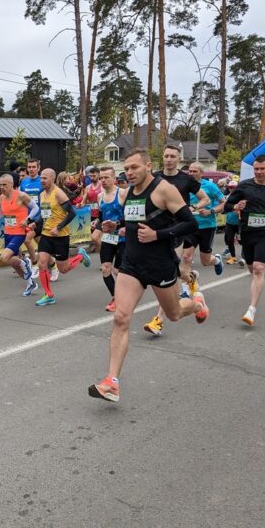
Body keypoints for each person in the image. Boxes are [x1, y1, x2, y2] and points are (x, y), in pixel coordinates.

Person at [88, 149, 208, 403]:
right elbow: (135, 220)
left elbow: (190, 224)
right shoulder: (131, 190)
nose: (129, 173)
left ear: (148, 166)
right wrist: (116, 227)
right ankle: (112, 383)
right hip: (132, 263)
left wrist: (158, 235)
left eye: (134, 168)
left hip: (160, 263)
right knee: (121, 318)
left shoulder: (164, 190)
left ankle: (197, 303)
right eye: (126, 169)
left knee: (174, 314)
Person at [143, 145, 210, 337]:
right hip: (157, 230)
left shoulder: (186, 179)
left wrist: (194, 207)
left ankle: (158, 320)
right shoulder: (154, 177)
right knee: (177, 270)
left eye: (173, 156)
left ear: (179, 159)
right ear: (162, 158)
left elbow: (204, 199)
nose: (169, 159)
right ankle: (191, 280)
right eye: (166, 156)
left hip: (178, 230)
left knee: (168, 270)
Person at [223, 155, 265, 326]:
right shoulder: (244, 186)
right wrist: (236, 206)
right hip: (247, 232)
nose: (259, 172)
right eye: (256, 169)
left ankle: (251, 309)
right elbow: (228, 205)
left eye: (262, 169)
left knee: (258, 270)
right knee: (252, 268)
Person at [31, 168, 92, 306]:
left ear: (52, 179)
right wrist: (35, 223)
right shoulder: (42, 195)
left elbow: (72, 213)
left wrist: (58, 228)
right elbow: (44, 214)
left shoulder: (58, 194)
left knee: (63, 269)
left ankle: (80, 256)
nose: (42, 181)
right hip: (46, 234)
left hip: (60, 236)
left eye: (45, 178)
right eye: (41, 178)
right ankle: (48, 295)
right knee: (42, 263)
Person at [0, 174, 41, 296]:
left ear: (11, 184)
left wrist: (28, 219)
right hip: (8, 232)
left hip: (19, 232)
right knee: (17, 267)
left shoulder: (21, 195)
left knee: (4, 258)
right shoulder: (1, 198)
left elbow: (36, 208)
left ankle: (25, 262)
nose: (2, 187)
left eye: (4, 185)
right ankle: (31, 284)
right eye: (0, 185)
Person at [180, 162, 225, 278]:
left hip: (207, 226)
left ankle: (216, 260)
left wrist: (210, 211)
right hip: (189, 226)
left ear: (202, 173)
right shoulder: (184, 185)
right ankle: (187, 288)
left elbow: (224, 204)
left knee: (205, 261)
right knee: (186, 256)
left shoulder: (210, 186)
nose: (192, 174)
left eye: (195, 171)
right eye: (190, 171)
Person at [95, 167, 127, 312]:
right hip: (108, 237)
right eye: (101, 178)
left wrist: (118, 224)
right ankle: (116, 298)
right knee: (105, 269)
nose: (103, 180)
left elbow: (131, 216)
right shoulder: (100, 196)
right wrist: (97, 221)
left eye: (106, 177)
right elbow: (102, 215)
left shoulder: (122, 194)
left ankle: (127, 295)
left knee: (118, 271)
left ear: (114, 179)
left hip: (123, 238)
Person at [19, 158, 44, 276]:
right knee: (42, 244)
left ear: (39, 168)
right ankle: (53, 264)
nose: (31, 169)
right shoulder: (24, 182)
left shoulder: (42, 181)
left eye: (34, 167)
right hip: (28, 217)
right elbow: (21, 199)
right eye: (29, 167)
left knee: (27, 239)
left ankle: (34, 264)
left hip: (41, 217)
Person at [222, 180, 244, 267]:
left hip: (240, 223)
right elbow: (225, 207)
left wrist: (239, 211)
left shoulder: (242, 197)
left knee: (242, 241)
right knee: (229, 240)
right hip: (229, 222)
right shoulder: (227, 197)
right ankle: (233, 257)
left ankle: (245, 257)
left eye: (234, 187)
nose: (232, 189)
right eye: (230, 187)